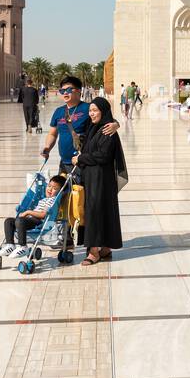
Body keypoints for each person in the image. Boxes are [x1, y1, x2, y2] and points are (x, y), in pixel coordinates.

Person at [74, 96, 127, 266]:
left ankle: (93, 251)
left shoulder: (107, 130)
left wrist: (81, 159)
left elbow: (103, 155)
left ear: (103, 111)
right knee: (99, 210)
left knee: (94, 211)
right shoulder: (93, 126)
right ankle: (105, 247)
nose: (91, 113)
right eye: (90, 110)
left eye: (95, 110)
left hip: (101, 179)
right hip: (93, 177)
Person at [41, 75, 120, 173]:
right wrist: (47, 147)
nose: (65, 93)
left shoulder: (88, 108)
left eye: (69, 90)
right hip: (64, 163)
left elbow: (107, 118)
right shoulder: (59, 111)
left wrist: (116, 124)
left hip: (82, 163)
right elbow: (52, 133)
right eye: (62, 91)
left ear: (79, 91)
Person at [0, 174, 66, 259]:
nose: (50, 189)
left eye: (54, 188)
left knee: (20, 220)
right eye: (49, 186)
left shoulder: (53, 201)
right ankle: (10, 245)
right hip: (30, 219)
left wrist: (28, 212)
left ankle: (23, 246)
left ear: (60, 192)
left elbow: (43, 214)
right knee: (8, 221)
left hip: (39, 222)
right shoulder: (43, 199)